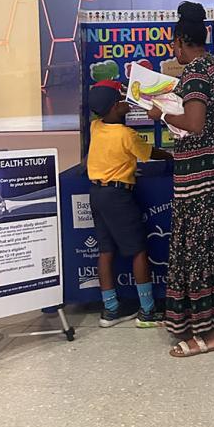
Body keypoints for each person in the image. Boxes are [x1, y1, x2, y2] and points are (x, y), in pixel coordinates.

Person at [147, 1, 214, 358]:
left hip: (199, 177)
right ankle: (211, 316)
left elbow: (194, 124)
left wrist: (161, 113)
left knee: (198, 249)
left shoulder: (194, 75)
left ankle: (209, 332)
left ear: (178, 41)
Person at [86, 82, 164, 328]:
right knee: (138, 250)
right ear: (113, 107)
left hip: (97, 194)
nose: (126, 103)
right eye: (121, 100)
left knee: (106, 251)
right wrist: (171, 155)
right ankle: (148, 310)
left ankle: (110, 310)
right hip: (118, 197)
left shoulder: (95, 126)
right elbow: (149, 153)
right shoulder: (126, 135)